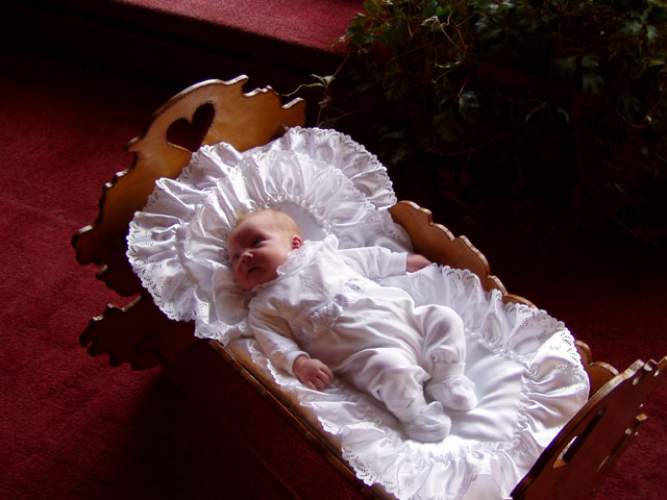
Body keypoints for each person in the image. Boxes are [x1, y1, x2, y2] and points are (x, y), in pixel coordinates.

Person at [227, 208, 478, 442]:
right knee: (390, 371)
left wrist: (402, 262)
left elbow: (369, 259)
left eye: (256, 243)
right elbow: (274, 343)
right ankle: (416, 415)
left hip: (407, 318)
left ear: (295, 244)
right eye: (234, 258)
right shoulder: (263, 307)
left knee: (445, 318)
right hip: (369, 352)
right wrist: (299, 363)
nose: (244, 257)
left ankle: (447, 377)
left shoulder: (323, 256)